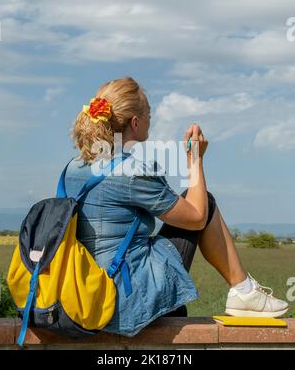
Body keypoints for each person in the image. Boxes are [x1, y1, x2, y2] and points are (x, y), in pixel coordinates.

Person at [64, 76, 288, 337]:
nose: (150, 119)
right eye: (149, 113)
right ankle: (244, 292)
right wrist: (195, 160)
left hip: (80, 290)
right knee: (206, 203)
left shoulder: (72, 167)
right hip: (118, 299)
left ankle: (242, 292)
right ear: (135, 123)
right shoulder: (131, 172)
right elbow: (197, 217)